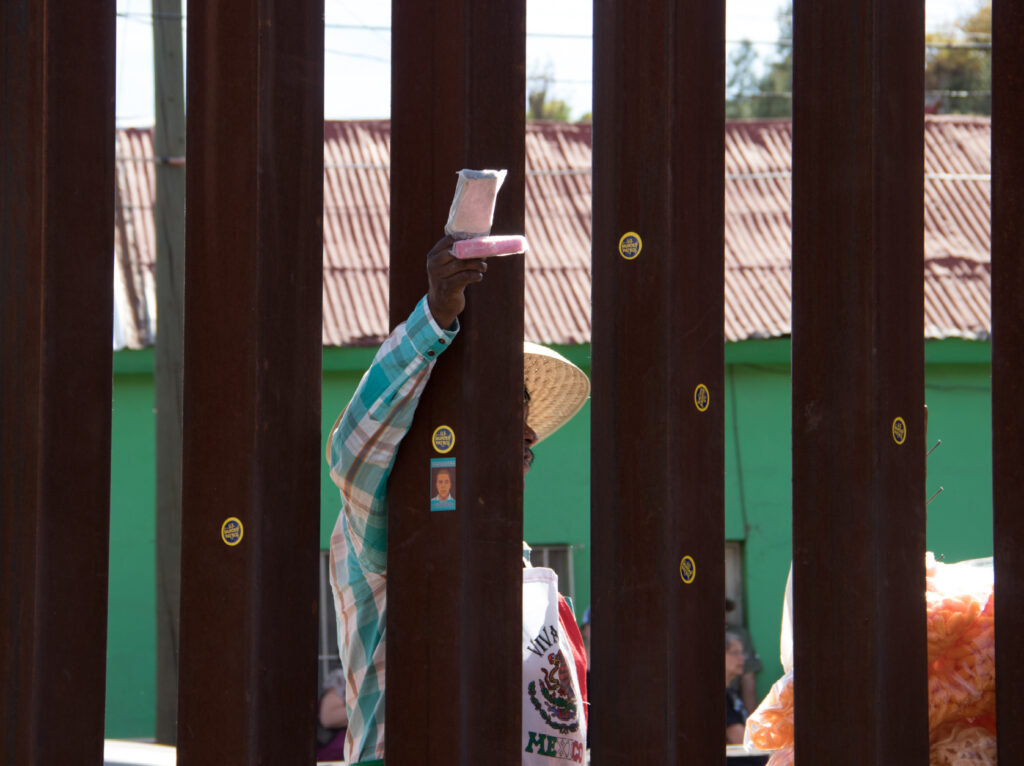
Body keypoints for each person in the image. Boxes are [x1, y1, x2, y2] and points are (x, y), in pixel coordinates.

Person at [327, 235, 590, 765]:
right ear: (442, 430)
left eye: (522, 443)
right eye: (498, 424)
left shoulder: (516, 563)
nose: (520, 450)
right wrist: (435, 318)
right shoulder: (390, 519)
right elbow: (352, 445)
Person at [726, 597, 763, 713]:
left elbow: (748, 679)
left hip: (732, 698)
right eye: (735, 653)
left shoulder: (738, 634)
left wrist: (751, 722)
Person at [725, 630, 749, 745]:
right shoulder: (715, 697)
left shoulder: (732, 693)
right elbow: (739, 738)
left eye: (742, 653)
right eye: (735, 653)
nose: (741, 658)